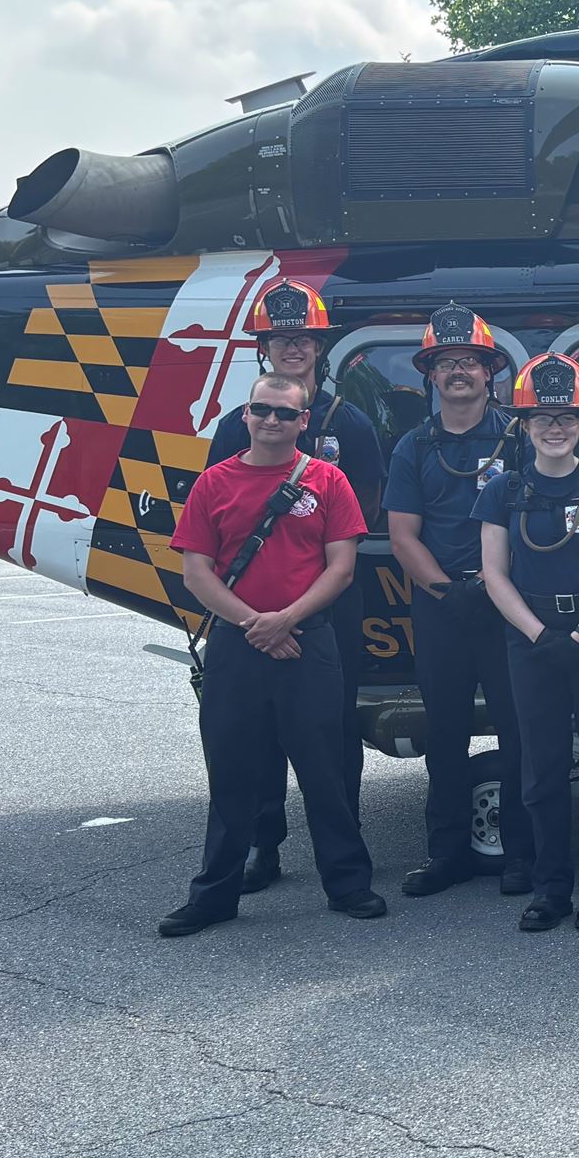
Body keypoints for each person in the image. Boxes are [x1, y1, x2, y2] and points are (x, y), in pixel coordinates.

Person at [159, 370, 383, 936]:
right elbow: (194, 573)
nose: (273, 421)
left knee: (325, 770)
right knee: (232, 772)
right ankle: (215, 894)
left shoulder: (329, 482)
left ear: (304, 421)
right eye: (263, 410)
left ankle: (349, 883)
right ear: (246, 416)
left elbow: (342, 567)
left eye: (286, 413)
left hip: (308, 641)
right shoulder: (214, 483)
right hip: (238, 645)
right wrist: (255, 624)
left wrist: (285, 620)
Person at [203, 278, 385, 895]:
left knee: (332, 736)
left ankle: (344, 855)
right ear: (265, 349)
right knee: (254, 743)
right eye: (282, 339)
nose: (294, 349)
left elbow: (363, 515)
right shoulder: (233, 427)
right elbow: (217, 531)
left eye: (304, 339)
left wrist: (297, 614)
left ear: (320, 345)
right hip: (250, 610)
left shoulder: (351, 425)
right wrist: (259, 619)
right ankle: (264, 846)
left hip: (328, 607)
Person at [479, 352, 579, 932]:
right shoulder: (503, 490)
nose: (554, 426)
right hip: (531, 638)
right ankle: (549, 887)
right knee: (541, 768)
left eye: (567, 417)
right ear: (523, 425)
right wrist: (540, 634)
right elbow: (493, 572)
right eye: (541, 417)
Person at [385, 306, 535, 899]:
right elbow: (403, 535)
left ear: (490, 371)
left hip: (507, 603)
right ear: (430, 374)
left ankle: (524, 852)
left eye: (469, 361)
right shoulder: (412, 447)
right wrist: (448, 592)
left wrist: (491, 587)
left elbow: (534, 523)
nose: (458, 372)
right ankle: (444, 852)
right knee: (444, 733)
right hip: (442, 606)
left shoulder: (519, 437)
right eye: (446, 363)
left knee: (520, 730)